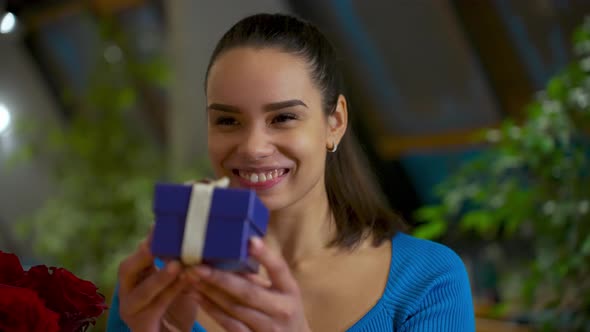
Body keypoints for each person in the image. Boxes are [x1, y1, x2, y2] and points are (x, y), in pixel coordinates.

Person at [107, 13, 475, 332]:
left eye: (283, 118)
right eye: (227, 120)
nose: (252, 147)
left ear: (335, 122)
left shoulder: (428, 281)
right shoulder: (151, 288)